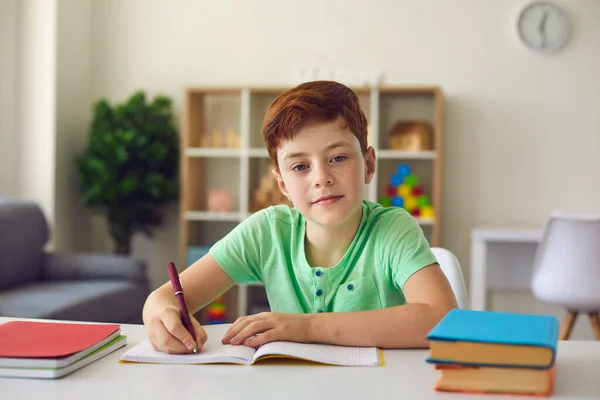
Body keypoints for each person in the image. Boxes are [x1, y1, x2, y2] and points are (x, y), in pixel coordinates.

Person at [142, 80, 458, 354]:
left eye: (338, 158)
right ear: (283, 185)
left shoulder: (392, 229)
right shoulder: (267, 232)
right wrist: (162, 316)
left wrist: (308, 328)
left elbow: (442, 319)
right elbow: (163, 298)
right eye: (300, 167)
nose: (321, 177)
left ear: (369, 164)